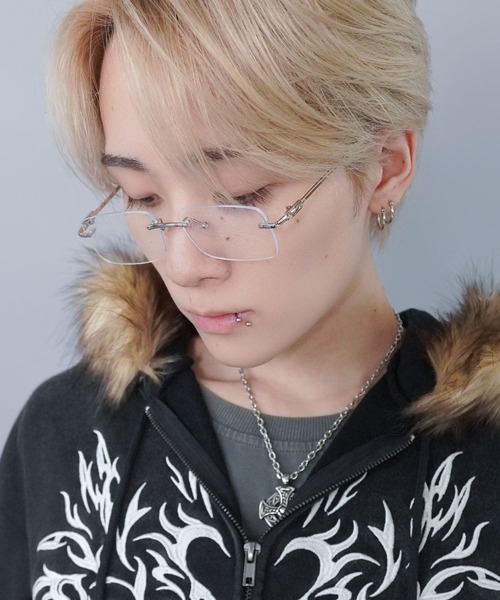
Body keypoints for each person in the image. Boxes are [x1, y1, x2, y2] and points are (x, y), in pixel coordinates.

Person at [0, 0, 499, 598]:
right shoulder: (67, 435)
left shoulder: (486, 460)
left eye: (242, 195)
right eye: (142, 196)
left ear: (385, 166)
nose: (183, 266)